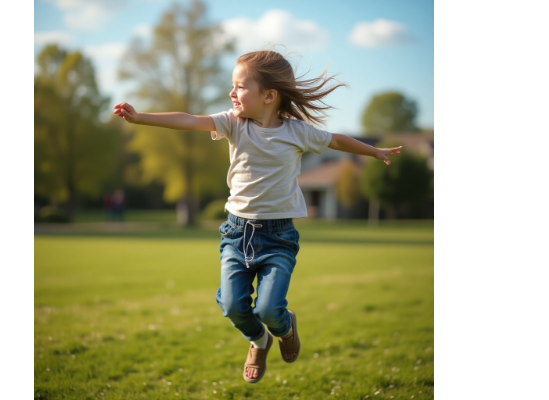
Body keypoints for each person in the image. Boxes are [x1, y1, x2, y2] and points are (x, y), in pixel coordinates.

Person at [113, 49, 402, 383]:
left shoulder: (297, 132)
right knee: (233, 306)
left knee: (269, 310)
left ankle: (284, 327)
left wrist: (374, 151)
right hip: (236, 234)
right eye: (232, 86)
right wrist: (140, 117)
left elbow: (336, 139)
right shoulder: (233, 124)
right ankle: (259, 340)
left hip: (278, 237)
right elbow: (189, 120)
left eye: (240, 86)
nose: (232, 93)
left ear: (269, 95)